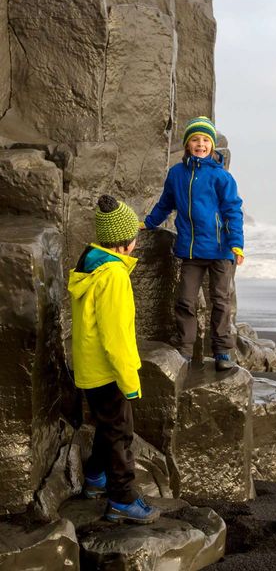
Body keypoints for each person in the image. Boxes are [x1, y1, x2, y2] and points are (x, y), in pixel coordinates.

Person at [68, 194, 160, 525]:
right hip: (108, 371)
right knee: (121, 432)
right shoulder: (115, 276)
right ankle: (121, 499)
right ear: (125, 243)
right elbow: (116, 336)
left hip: (88, 367)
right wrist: (129, 380)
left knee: (107, 426)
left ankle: (95, 478)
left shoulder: (89, 261)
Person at [143, 116, 244, 370]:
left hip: (221, 250)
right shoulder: (176, 174)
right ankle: (185, 348)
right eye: (195, 140)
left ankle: (222, 351)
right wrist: (150, 222)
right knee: (185, 300)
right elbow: (166, 203)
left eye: (206, 140)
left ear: (212, 145)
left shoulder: (221, 177)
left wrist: (237, 244)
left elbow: (233, 211)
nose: (201, 144)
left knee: (220, 301)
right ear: (188, 144)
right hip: (191, 250)